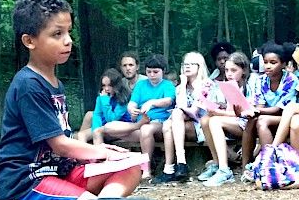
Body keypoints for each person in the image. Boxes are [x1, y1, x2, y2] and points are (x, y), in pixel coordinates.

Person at [0, 0, 160, 200]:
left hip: (61, 173)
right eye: (57, 34)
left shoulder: (55, 82)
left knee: (131, 165)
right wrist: (100, 150)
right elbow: (60, 144)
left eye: (69, 32)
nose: (68, 41)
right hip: (27, 183)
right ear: (29, 41)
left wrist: (103, 155)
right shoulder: (27, 84)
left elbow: (63, 142)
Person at [103, 54, 176, 179]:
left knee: (146, 129)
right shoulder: (141, 85)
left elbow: (169, 101)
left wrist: (151, 102)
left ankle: (146, 170)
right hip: (139, 124)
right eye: (149, 72)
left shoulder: (167, 85)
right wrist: (132, 109)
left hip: (159, 124)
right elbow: (132, 103)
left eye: (156, 72)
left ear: (163, 71)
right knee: (108, 128)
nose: (152, 75)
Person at [151, 52, 217, 184]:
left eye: (192, 64)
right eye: (185, 64)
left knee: (174, 116)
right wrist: (183, 84)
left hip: (203, 126)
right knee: (168, 125)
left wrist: (178, 112)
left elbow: (194, 112)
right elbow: (181, 106)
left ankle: (180, 162)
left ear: (200, 67)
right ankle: (171, 169)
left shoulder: (206, 85)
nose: (187, 67)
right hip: (182, 125)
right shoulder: (181, 87)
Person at [239, 42, 298, 182]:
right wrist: (252, 111)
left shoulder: (291, 80)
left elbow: (279, 109)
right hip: (267, 115)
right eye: (265, 62)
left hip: (284, 117)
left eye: (273, 62)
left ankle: (269, 163)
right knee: (252, 120)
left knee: (261, 120)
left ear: (283, 64)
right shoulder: (260, 80)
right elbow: (260, 105)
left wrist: (256, 110)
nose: (268, 66)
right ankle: (245, 166)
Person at [198, 52, 257, 186]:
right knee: (205, 119)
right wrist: (216, 111)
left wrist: (218, 113)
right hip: (238, 121)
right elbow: (232, 111)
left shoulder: (252, 83)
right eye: (227, 70)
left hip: (249, 122)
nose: (229, 74)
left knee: (214, 120)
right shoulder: (231, 85)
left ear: (243, 71)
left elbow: (246, 112)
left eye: (233, 70)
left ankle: (224, 170)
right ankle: (217, 163)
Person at [77, 51, 147, 142]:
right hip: (113, 115)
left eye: (131, 65)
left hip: (133, 118)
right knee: (89, 116)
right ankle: (78, 148)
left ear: (137, 67)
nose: (128, 68)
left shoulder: (145, 83)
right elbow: (98, 113)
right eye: (124, 65)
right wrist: (96, 129)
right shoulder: (121, 82)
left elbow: (114, 116)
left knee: (101, 128)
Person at [80, 68, 132, 145]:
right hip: (104, 126)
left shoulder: (123, 98)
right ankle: (81, 156)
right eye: (104, 85)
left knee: (98, 133)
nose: (106, 89)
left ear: (116, 85)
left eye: (110, 85)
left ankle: (99, 156)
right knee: (82, 134)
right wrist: (96, 128)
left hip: (119, 129)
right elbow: (97, 114)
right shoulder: (101, 97)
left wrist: (105, 101)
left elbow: (112, 119)